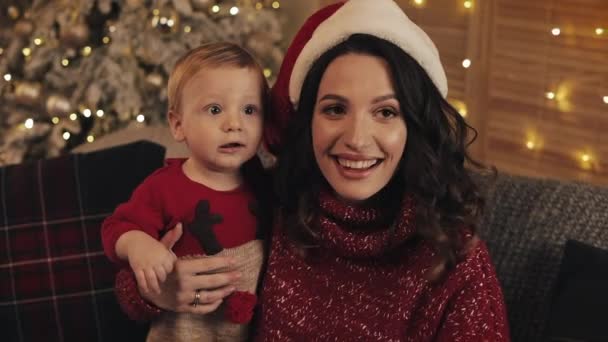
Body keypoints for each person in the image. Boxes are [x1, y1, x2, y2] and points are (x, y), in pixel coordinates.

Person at [115, 1, 510, 340]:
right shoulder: (277, 201)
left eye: (386, 112)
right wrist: (157, 293)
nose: (357, 138)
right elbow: (133, 280)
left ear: (414, 127)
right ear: (308, 122)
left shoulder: (456, 259)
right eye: (335, 109)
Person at [101, 42, 272, 341]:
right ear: (178, 125)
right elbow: (116, 228)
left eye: (249, 109)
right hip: (184, 330)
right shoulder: (165, 186)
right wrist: (140, 245)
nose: (234, 124)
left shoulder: (261, 182)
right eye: (215, 109)